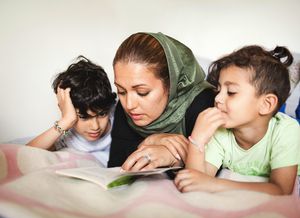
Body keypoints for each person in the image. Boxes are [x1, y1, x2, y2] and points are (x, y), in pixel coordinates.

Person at [174, 45, 300, 195]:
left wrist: (214, 184)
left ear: (266, 104)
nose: (218, 99)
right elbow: (195, 180)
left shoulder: (287, 130)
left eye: (231, 92)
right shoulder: (220, 133)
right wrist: (197, 141)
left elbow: (281, 190)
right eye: (218, 90)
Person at [108, 32, 215, 171]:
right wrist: (151, 141)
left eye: (142, 92)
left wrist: (172, 157)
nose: (129, 105)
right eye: (121, 91)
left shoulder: (203, 103)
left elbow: (215, 165)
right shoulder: (124, 108)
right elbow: (116, 165)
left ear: (172, 84)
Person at [27, 56, 117, 167]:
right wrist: (66, 120)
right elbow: (24, 154)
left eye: (102, 114)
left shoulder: (118, 113)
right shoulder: (67, 135)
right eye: (84, 117)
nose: (95, 126)